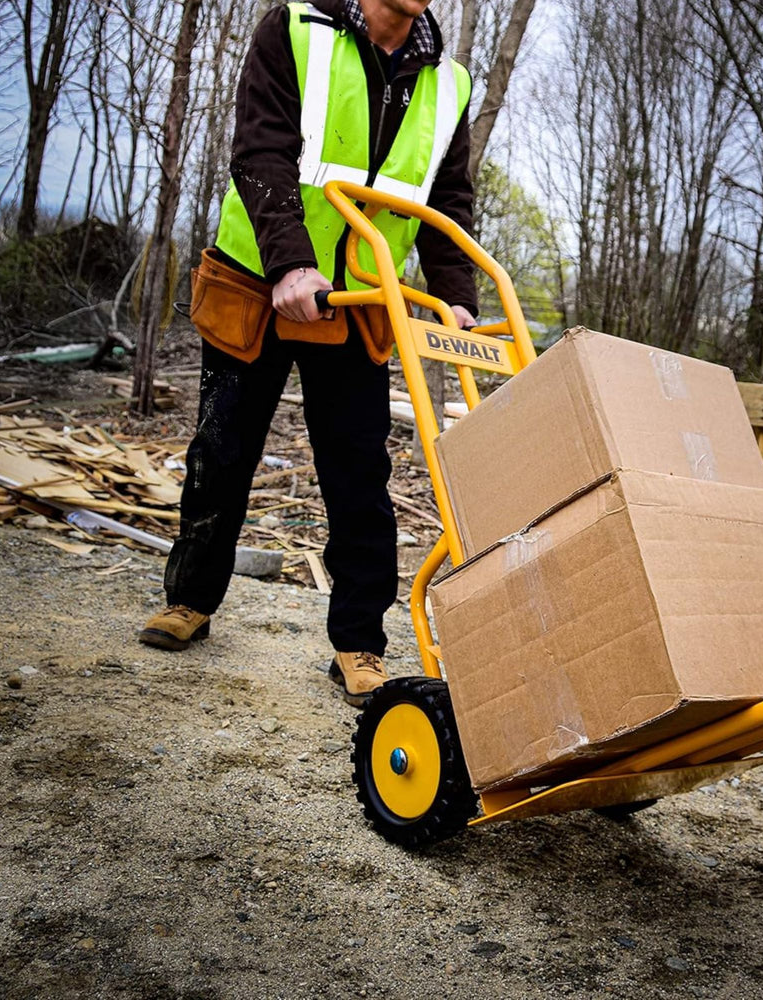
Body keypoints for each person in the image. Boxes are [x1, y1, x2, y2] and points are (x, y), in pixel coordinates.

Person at [139, 0, 477, 709]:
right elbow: (260, 150)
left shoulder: (449, 82)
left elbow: (445, 198)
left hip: (356, 300)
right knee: (221, 453)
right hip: (258, 282)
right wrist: (291, 262)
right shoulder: (293, 31)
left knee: (359, 473)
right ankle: (190, 600)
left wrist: (455, 293)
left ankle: (359, 642)